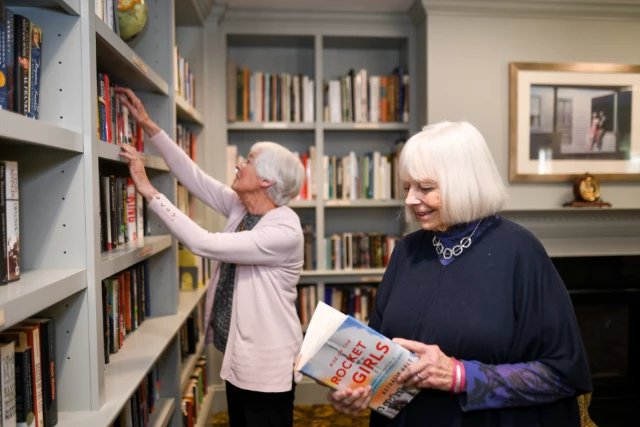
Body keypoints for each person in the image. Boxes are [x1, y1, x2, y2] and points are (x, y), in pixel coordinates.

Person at [326, 121, 592, 426]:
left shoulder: (520, 251)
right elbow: (384, 358)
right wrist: (362, 389)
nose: (410, 199)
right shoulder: (406, 251)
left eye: (425, 188)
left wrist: (459, 375)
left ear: (465, 184)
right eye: (407, 188)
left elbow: (561, 375)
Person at [115, 87, 306, 427]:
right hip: (239, 354)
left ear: (265, 181)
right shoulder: (241, 206)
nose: (238, 164)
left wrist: (148, 190)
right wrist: (148, 126)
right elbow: (194, 178)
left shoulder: (284, 230)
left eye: (247, 161)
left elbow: (203, 243)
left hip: (266, 362)